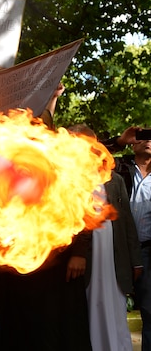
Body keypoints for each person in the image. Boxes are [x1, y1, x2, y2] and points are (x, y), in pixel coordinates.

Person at [68, 124, 141, 351]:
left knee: (114, 308)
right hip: (87, 256)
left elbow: (127, 222)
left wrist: (135, 260)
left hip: (112, 254)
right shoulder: (68, 180)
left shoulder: (114, 179)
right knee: (89, 309)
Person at [104, 125, 151, 350]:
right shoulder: (121, 167)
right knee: (113, 306)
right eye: (144, 137)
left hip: (148, 252)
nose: (148, 141)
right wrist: (120, 141)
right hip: (117, 249)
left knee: (150, 312)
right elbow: (88, 154)